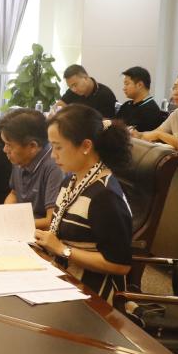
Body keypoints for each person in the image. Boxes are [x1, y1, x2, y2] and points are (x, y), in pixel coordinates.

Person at [34, 104, 133, 304]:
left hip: (93, 294)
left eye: (58, 147)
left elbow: (120, 266)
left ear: (86, 146)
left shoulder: (105, 196)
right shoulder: (71, 180)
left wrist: (62, 249)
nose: (53, 155)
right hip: (63, 276)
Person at [0, 108, 65, 229]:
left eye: (9, 145)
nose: (5, 150)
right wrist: (6, 214)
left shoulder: (54, 166)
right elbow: (14, 193)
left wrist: (14, 224)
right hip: (21, 227)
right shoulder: (20, 158)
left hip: (39, 232)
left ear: (32, 146)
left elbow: (51, 221)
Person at [114, 66, 165, 132]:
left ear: (140, 85)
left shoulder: (150, 111)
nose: (124, 88)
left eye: (127, 84)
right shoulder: (126, 105)